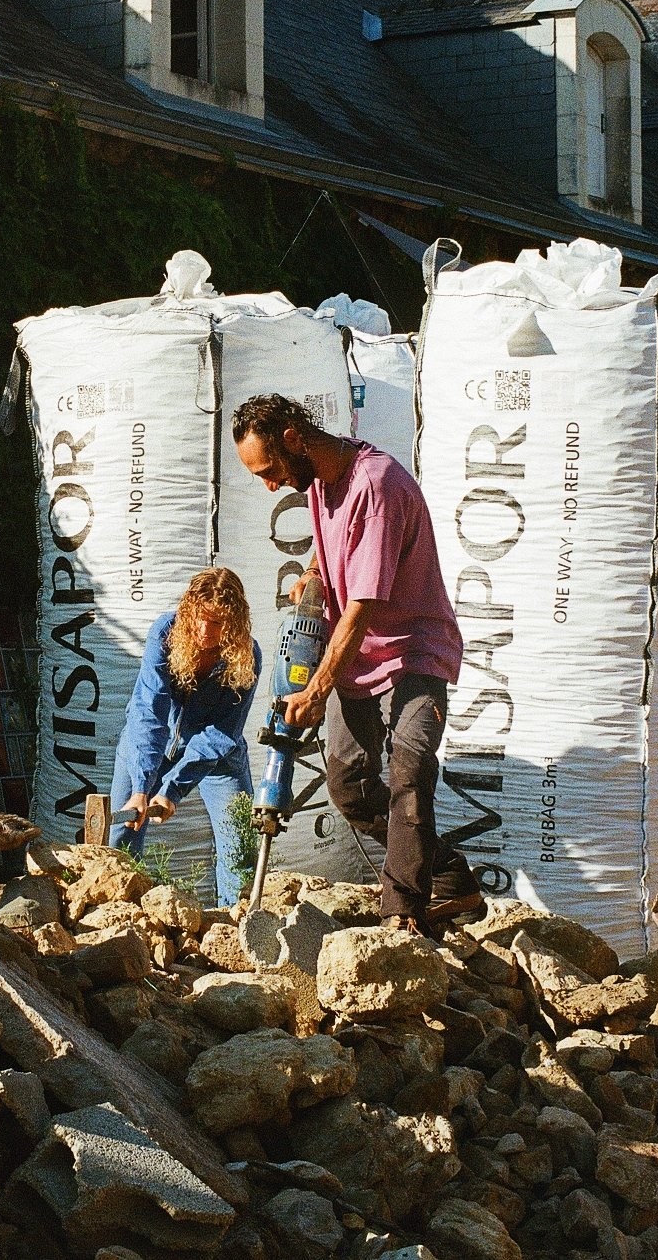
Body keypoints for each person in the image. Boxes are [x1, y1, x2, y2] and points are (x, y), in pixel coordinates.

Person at [232, 393, 483, 937]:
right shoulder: (321, 481)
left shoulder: (377, 484)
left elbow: (362, 609)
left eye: (270, 470)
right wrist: (313, 572)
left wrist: (316, 689)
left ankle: (402, 917)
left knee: (410, 770)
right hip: (359, 658)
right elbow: (338, 546)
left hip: (413, 651)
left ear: (294, 439)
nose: (270, 485)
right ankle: (449, 877)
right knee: (349, 788)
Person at [110, 567, 262, 906]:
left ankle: (236, 922)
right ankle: (120, 919)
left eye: (218, 623)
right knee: (121, 837)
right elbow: (149, 710)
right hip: (150, 745)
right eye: (201, 619)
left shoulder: (246, 656)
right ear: (189, 610)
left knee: (240, 845)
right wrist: (142, 788)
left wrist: (172, 790)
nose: (206, 631)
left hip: (217, 757)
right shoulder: (166, 633)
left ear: (234, 623)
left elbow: (222, 733)